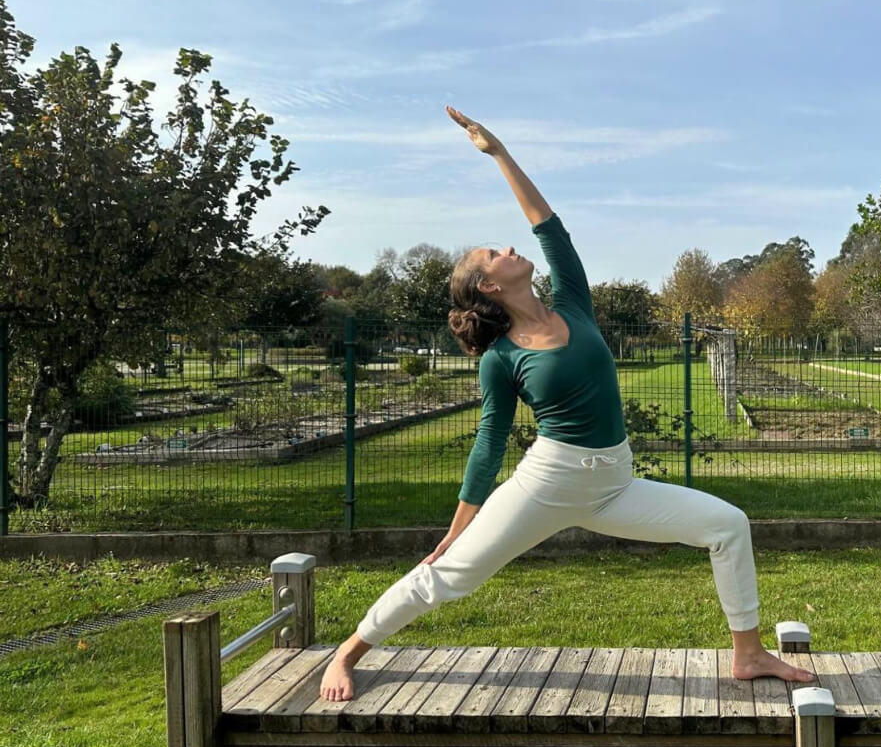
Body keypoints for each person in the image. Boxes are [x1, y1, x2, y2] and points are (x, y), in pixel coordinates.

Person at [319, 107, 815, 701]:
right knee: (452, 576)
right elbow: (489, 441)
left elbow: (549, 227)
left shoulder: (573, 305)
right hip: (548, 483)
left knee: (728, 525)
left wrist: (499, 151)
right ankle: (347, 652)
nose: (508, 246)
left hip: (615, 484)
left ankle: (748, 655)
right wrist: (458, 527)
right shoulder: (500, 357)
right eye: (493, 253)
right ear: (489, 285)